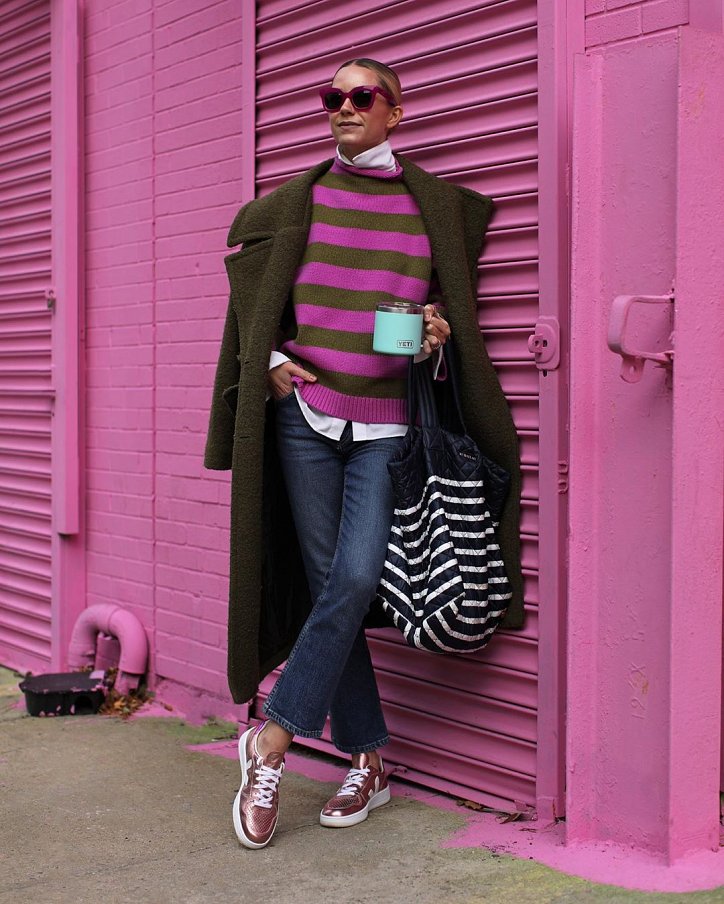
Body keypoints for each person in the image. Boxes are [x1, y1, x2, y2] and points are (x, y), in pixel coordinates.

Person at [204, 58, 524, 850]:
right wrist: (271, 362)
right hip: (306, 419)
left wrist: (438, 327)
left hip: (389, 427)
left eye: (361, 96)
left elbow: (447, 308)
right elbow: (254, 307)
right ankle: (369, 759)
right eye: (332, 97)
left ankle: (272, 740)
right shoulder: (297, 203)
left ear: (394, 112)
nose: (343, 108)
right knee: (329, 591)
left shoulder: (431, 209)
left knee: (353, 578)